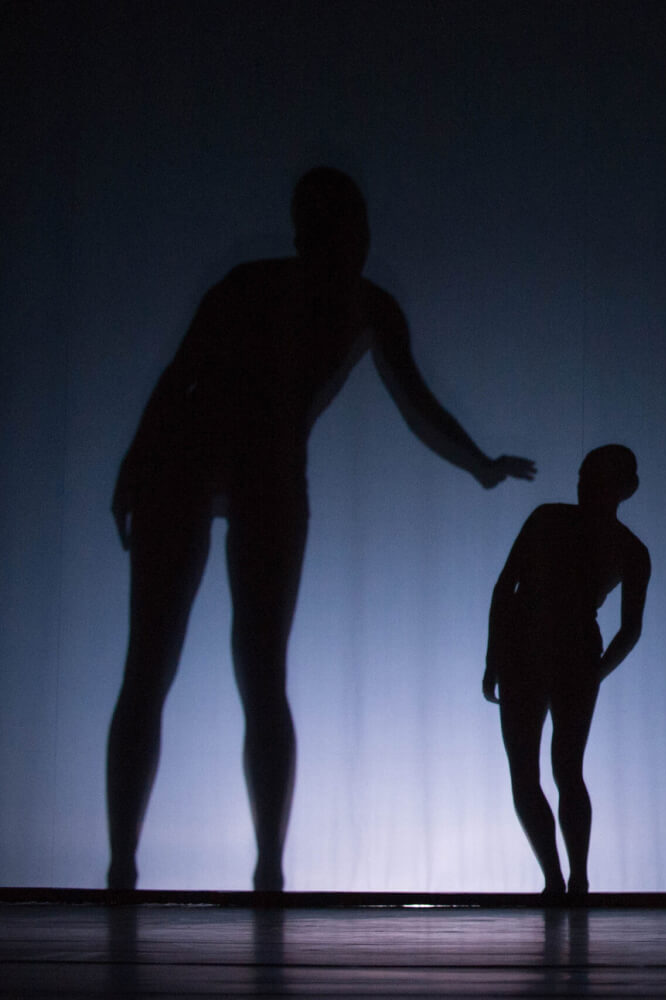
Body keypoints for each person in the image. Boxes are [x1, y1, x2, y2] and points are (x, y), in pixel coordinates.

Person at [106, 167, 536, 892]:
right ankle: (191, 867)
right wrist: (477, 464)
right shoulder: (323, 297)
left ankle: (237, 867)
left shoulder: (312, 296)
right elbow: (182, 378)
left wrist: (478, 464)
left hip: (235, 472)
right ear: (323, 234)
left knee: (200, 672)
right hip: (213, 469)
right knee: (186, 671)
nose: (356, 244)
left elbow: (416, 404)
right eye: (350, 229)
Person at [483, 444, 650, 901]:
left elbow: (506, 586)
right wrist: (594, 671)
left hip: (539, 648)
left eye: (591, 477)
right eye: (583, 476)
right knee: (556, 771)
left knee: (545, 772)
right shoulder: (626, 548)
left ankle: (564, 880)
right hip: (560, 650)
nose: (583, 485)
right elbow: (629, 630)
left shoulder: (557, 522)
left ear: (623, 488)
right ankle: (567, 880)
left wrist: (494, 658)